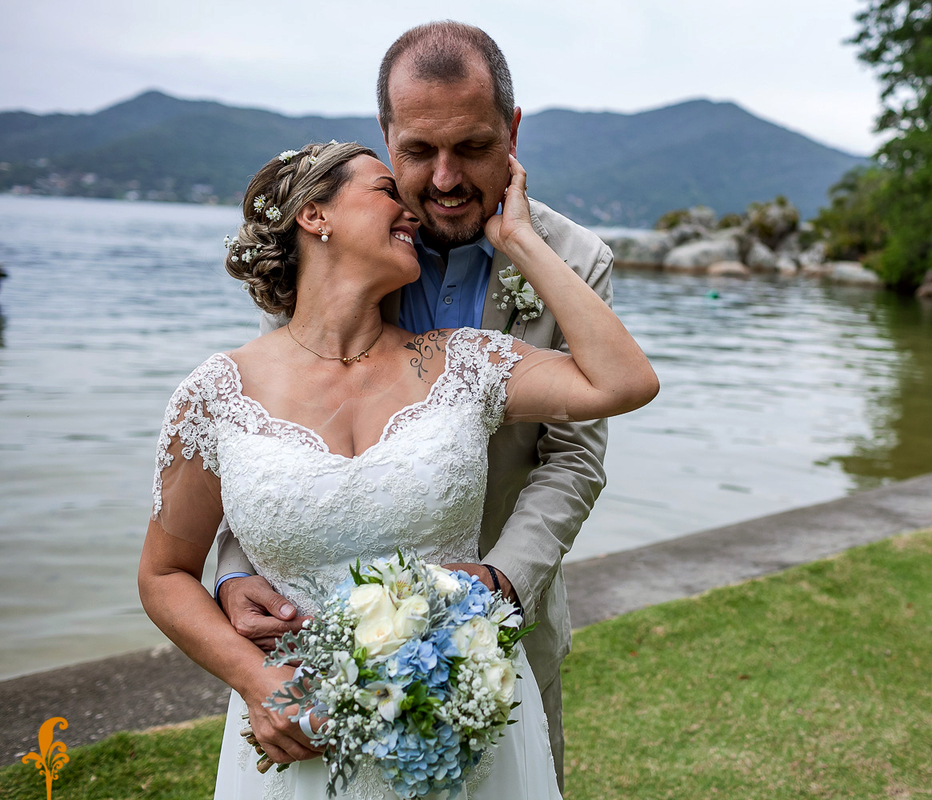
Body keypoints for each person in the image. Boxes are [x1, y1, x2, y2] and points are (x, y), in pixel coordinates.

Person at [138, 141, 657, 798]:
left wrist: (519, 240)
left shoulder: (464, 363)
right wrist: (253, 678)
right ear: (314, 215)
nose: (411, 209)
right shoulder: (216, 393)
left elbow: (625, 382)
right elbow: (164, 574)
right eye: (387, 192)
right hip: (303, 730)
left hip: (463, 720)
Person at [213, 24, 613, 787]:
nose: (446, 179)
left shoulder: (576, 259)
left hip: (498, 633)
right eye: (420, 151)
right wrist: (234, 577)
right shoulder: (335, 250)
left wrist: (498, 584)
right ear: (386, 134)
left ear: (513, 131)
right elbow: (265, 434)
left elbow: (574, 459)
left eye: (473, 147)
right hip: (316, 641)